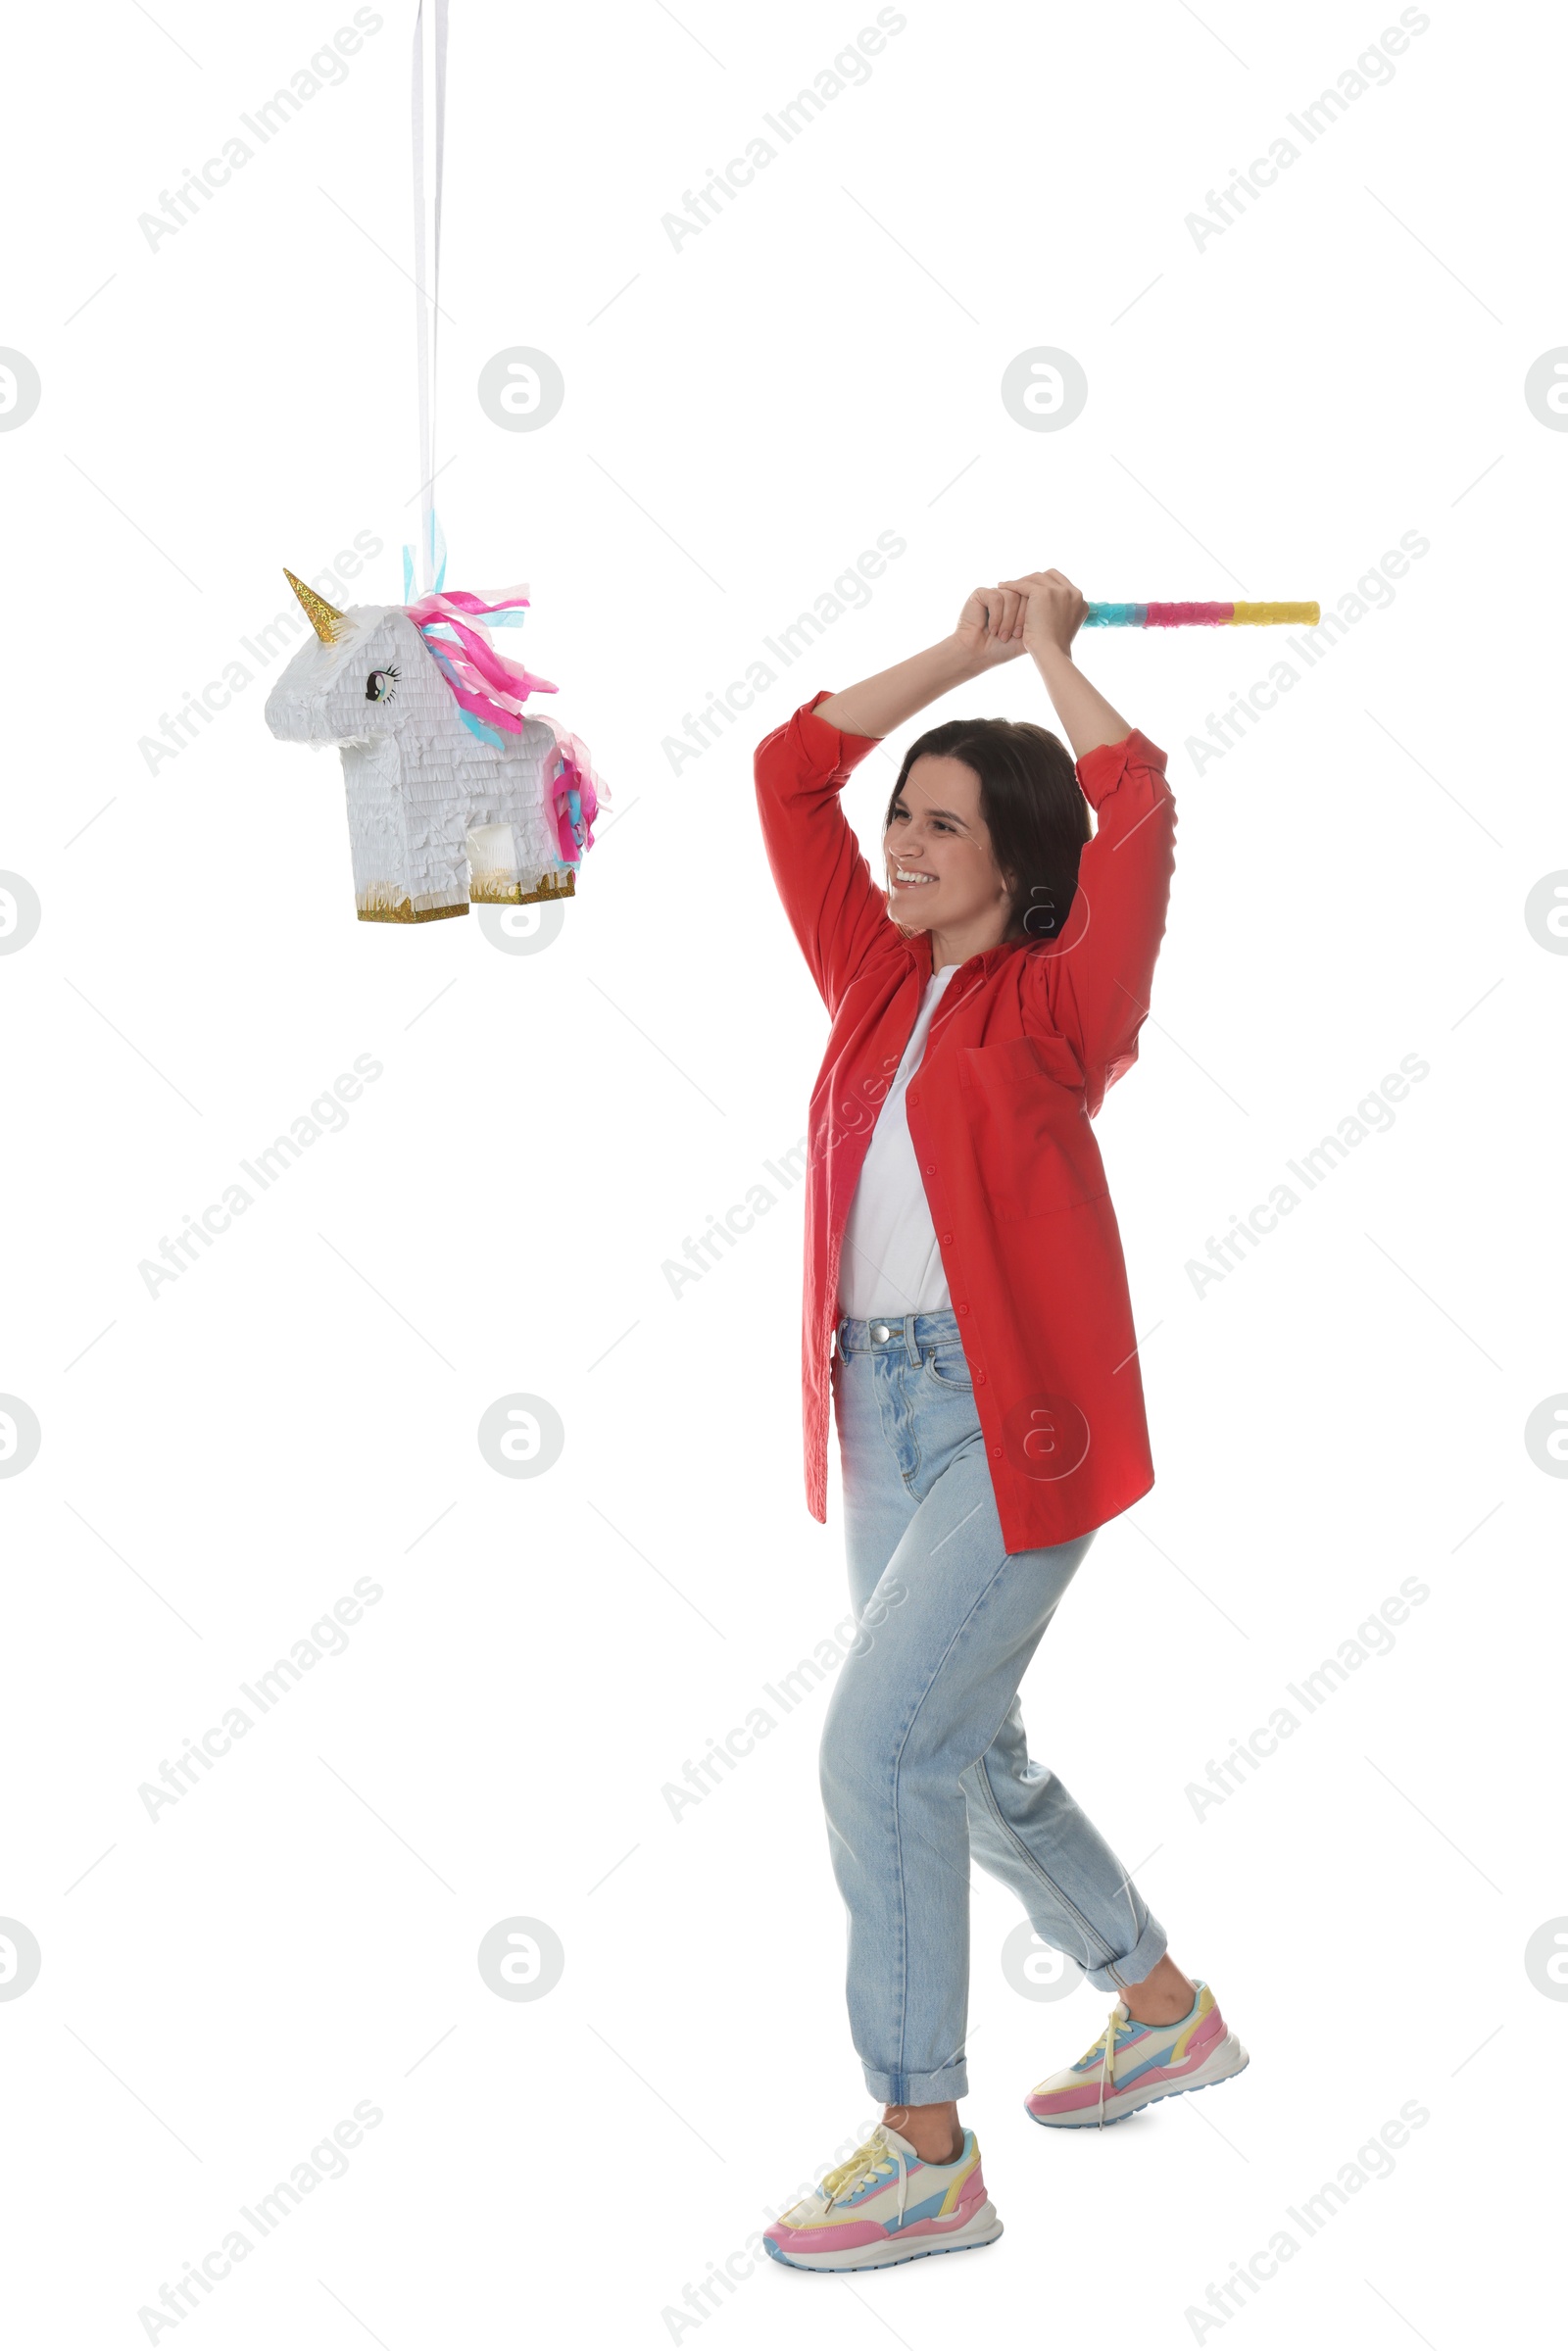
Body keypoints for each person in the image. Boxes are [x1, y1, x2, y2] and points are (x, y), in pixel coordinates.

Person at [752, 569, 1248, 2276]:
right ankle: (1158, 2005)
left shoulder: (1059, 1008)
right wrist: (958, 660)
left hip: (1009, 1417)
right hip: (880, 1409)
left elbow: (1142, 803)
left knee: (875, 1753)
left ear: (1020, 861)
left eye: (945, 827)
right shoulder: (871, 982)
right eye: (904, 818)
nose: (901, 845)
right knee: (965, 1753)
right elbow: (784, 774)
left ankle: (920, 2147)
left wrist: (1046, 661)